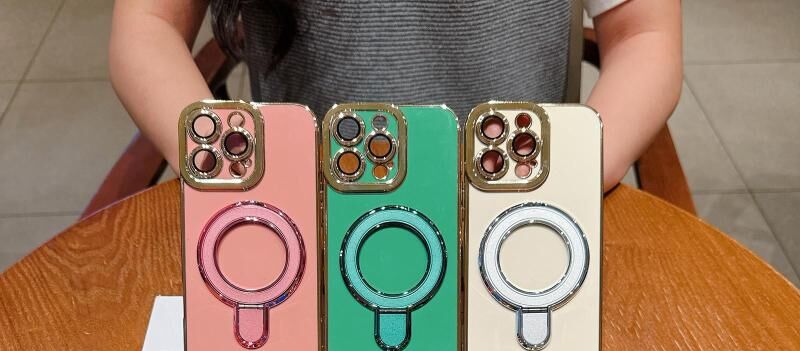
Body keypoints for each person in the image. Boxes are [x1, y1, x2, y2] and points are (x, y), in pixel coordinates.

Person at [109, 0, 682, 191]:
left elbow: (644, 35)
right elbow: (148, 27)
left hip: (515, 205)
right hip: (301, 209)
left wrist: (565, 184)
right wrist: (247, 183)